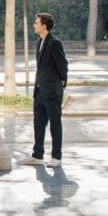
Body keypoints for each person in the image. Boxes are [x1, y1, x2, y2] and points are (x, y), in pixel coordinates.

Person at [20, 12, 68, 167]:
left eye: (36, 22)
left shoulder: (55, 43)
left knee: (55, 125)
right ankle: (37, 155)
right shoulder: (38, 43)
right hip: (39, 91)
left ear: (44, 26)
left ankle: (56, 158)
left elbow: (63, 66)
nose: (34, 24)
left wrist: (61, 83)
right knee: (38, 124)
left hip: (52, 92)